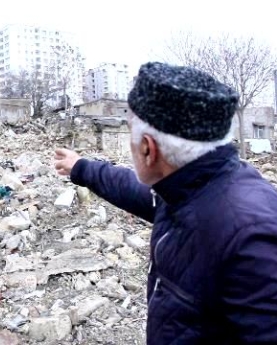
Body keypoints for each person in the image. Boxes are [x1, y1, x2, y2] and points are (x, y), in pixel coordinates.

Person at [54, 62, 277, 344]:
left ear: (148, 149)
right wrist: (81, 168)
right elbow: (135, 189)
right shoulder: (193, 185)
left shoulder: (252, 242)